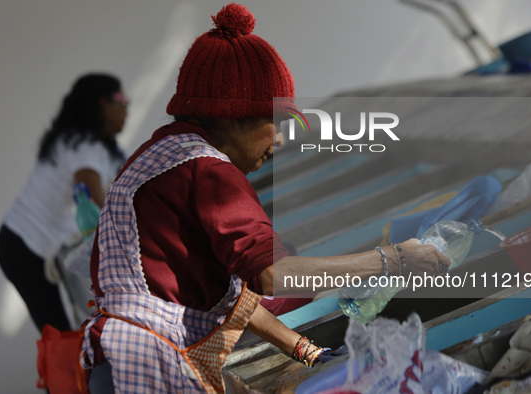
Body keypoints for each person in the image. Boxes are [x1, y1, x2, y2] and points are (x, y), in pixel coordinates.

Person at [80, 4, 449, 393]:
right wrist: (396, 258)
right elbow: (274, 276)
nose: (280, 140)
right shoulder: (210, 172)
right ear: (236, 116)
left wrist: (307, 352)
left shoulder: (155, 157)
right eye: (276, 122)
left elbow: (236, 299)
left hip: (116, 365)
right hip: (145, 371)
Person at [0, 73, 128, 332]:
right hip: (24, 247)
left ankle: (71, 371)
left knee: (70, 329)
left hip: (30, 246)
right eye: (121, 99)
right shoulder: (82, 146)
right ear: (102, 103)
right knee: (59, 333)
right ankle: (66, 373)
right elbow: (94, 200)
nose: (127, 107)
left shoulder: (97, 146)